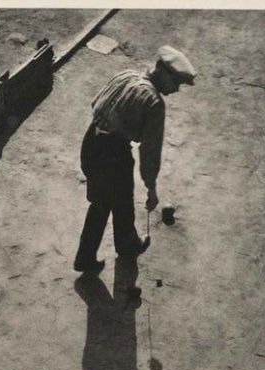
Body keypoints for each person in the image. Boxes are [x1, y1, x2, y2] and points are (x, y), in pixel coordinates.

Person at [74, 45, 197, 273]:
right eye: (176, 82)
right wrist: (151, 188)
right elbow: (150, 152)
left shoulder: (126, 75)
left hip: (90, 143)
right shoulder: (154, 103)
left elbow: (95, 103)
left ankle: (85, 257)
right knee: (122, 202)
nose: (176, 89)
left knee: (100, 202)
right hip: (113, 154)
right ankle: (127, 246)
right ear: (163, 72)